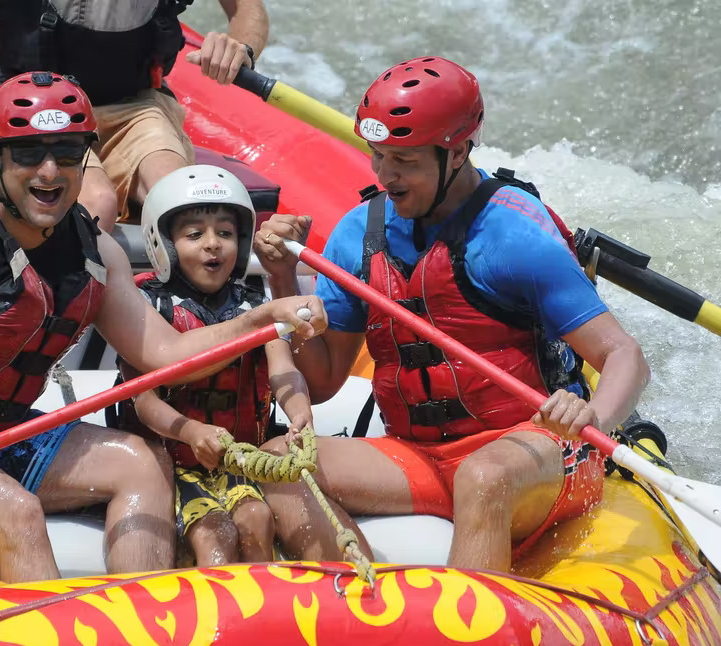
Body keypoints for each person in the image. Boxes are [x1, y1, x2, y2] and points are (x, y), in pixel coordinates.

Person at [0, 72, 325, 583]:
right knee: (17, 511)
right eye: (29, 153)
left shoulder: (94, 252)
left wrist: (264, 319)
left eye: (68, 153)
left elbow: (168, 353)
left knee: (141, 463)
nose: (49, 172)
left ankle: (142, 631)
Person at [252, 56, 650, 573]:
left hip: (535, 450)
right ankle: (362, 608)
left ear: (458, 151)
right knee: (281, 463)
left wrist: (593, 416)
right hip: (418, 454)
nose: (385, 175)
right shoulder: (358, 235)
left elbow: (626, 355)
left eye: (405, 161)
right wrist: (283, 278)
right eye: (378, 156)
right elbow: (324, 381)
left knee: (482, 478)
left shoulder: (512, 235)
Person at [114, 165, 314, 566]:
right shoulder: (149, 310)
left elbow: (282, 368)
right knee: (212, 534)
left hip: (239, 457)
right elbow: (144, 403)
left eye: (225, 233)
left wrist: (299, 411)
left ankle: (262, 620)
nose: (213, 245)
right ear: (163, 244)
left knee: (256, 518)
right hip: (174, 463)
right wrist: (192, 432)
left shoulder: (254, 306)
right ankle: (212, 623)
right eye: (194, 235)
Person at [0, 0, 269, 231]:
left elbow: (245, 8)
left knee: (185, 204)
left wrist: (240, 48)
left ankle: (180, 307)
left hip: (133, 101)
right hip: (30, 99)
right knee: (96, 203)